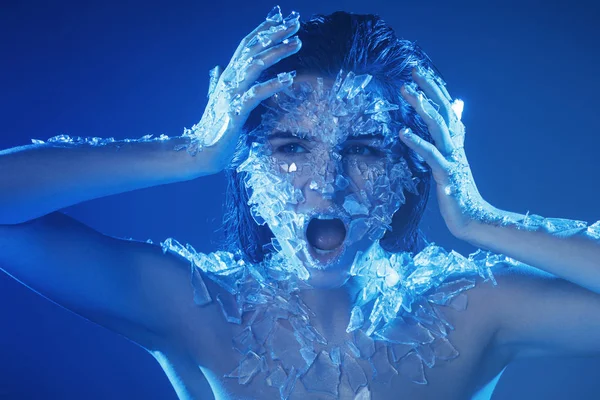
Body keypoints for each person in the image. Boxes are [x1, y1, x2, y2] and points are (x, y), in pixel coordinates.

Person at [1, 7, 600, 400]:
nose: (329, 183)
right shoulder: (196, 306)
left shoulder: (476, 312)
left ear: (411, 166)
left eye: (365, 149)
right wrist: (191, 150)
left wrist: (481, 220)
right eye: (291, 146)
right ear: (247, 161)